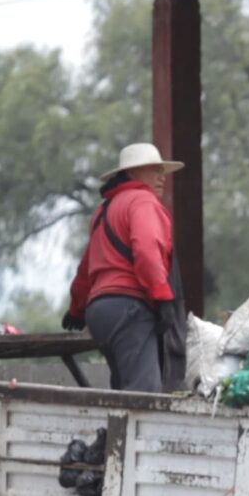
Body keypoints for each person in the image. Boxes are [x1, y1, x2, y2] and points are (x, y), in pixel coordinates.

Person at [64, 141, 189, 391]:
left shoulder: (103, 211)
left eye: (161, 170)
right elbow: (146, 250)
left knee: (123, 388)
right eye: (153, 169)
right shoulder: (143, 201)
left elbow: (87, 266)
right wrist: (162, 297)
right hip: (128, 308)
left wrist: (77, 309)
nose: (161, 177)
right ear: (132, 173)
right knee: (145, 393)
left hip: (99, 312)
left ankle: (114, 431)